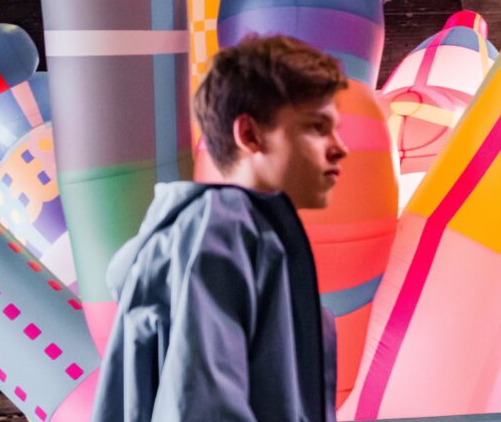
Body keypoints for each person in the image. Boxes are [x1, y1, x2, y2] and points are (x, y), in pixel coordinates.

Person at [91, 35, 349, 422]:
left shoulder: (241, 239)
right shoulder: (222, 228)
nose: (341, 147)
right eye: (316, 126)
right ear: (250, 134)